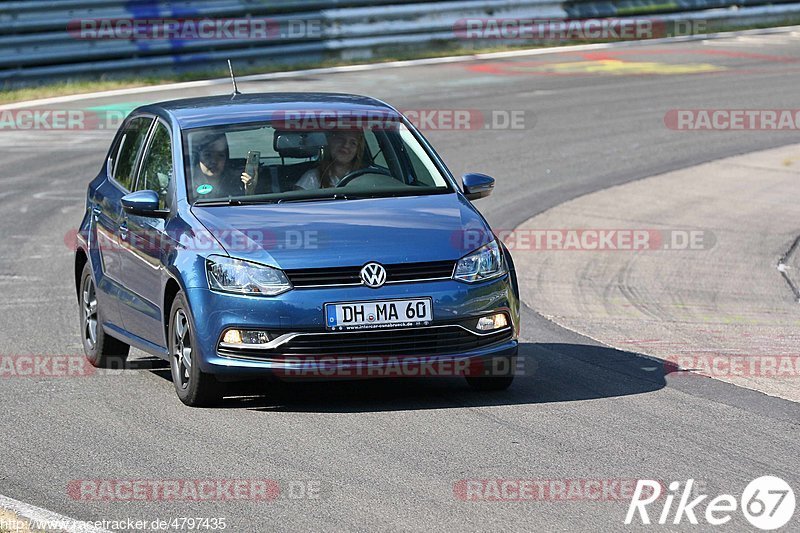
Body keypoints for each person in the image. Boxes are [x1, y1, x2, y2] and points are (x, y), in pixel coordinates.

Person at [190, 132, 256, 198]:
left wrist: (249, 189)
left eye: (220, 155)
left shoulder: (237, 183)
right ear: (197, 159)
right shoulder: (187, 186)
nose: (214, 161)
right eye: (207, 155)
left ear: (226, 160)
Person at [295, 130, 366, 190]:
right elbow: (297, 204)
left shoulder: (366, 176)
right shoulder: (312, 178)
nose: (346, 145)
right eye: (340, 139)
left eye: (353, 143)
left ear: (358, 151)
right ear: (330, 143)